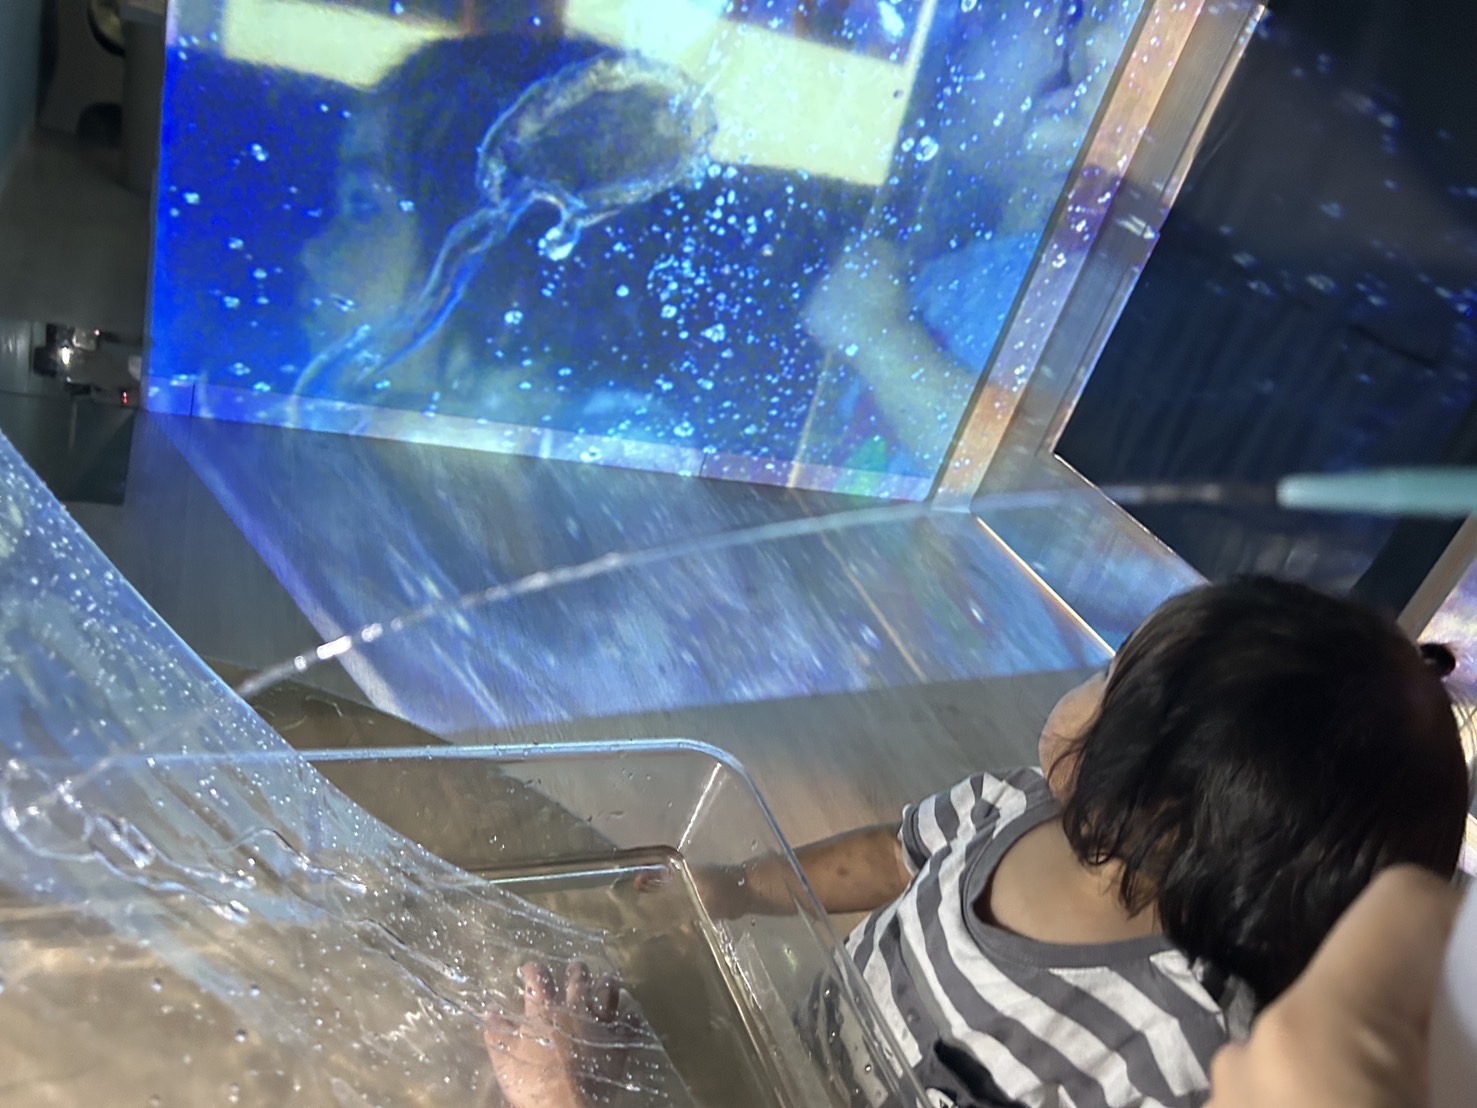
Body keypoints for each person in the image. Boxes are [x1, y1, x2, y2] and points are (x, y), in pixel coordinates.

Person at [637, 576, 1470, 1106]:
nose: (1085, 688)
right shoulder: (1009, 805)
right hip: (782, 1059)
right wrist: (737, 888)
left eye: (1111, 677)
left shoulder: (1176, 1044)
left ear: (1158, 802)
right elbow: (893, 854)